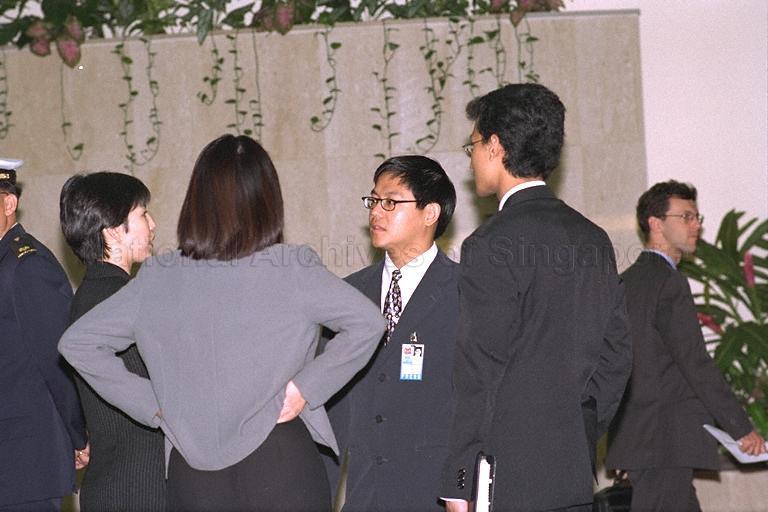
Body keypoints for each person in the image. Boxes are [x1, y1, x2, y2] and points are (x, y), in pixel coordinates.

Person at [59, 134, 386, 512]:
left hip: (192, 472)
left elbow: (77, 343)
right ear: (267, 199)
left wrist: (155, 405)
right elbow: (367, 323)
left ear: (196, 199)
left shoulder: (159, 276)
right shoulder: (292, 266)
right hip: (280, 460)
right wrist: (305, 388)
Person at [439, 84, 633, 512]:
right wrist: (578, 429)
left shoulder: (491, 243)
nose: (470, 159)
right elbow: (617, 356)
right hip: (571, 472)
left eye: (473, 145)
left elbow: (478, 371)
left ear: (495, 146)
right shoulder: (593, 238)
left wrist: (458, 480)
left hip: (505, 476)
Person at [605, 180, 766, 512]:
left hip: (644, 442)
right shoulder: (669, 283)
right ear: (656, 223)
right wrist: (741, 428)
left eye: (697, 217)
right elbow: (695, 363)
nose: (696, 226)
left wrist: (628, 444)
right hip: (665, 442)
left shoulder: (627, 281)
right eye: (686, 217)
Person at [324, 155, 460, 511]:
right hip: (364, 495)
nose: (376, 212)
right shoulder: (347, 295)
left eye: (390, 202)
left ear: (430, 213)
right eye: (373, 200)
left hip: (435, 496)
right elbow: (330, 411)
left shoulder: (464, 293)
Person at [59, 172, 165, 511]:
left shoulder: (87, 295)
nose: (153, 224)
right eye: (143, 214)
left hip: (109, 484)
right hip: (143, 487)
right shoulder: (121, 301)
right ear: (115, 231)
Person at [0, 158, 88, 511]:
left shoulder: (27, 266)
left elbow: (57, 360)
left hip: (25, 462)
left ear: (9, 203)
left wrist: (77, 434)